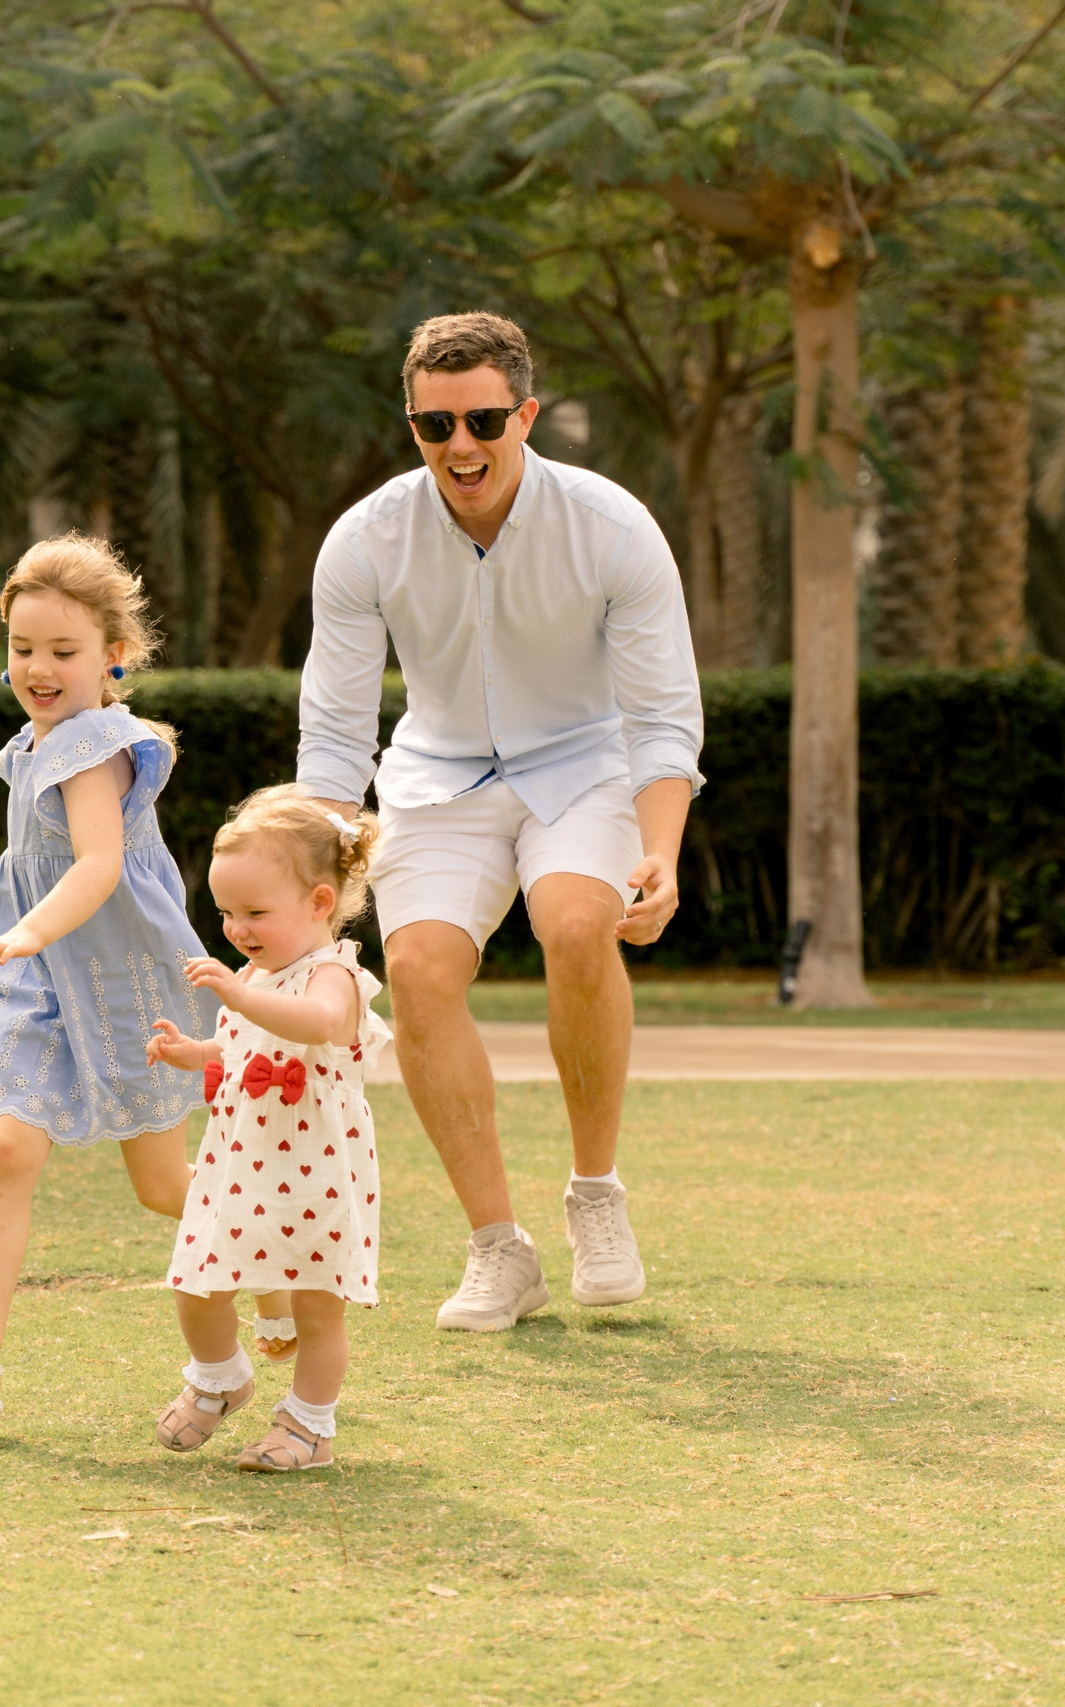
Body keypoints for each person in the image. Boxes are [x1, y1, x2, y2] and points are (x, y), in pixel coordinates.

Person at [299, 311, 704, 1333]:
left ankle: (595, 1195)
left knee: (576, 924)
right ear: (413, 427)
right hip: (436, 775)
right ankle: (498, 1250)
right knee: (424, 974)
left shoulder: (611, 527)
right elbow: (337, 733)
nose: (461, 447)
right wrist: (315, 878)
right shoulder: (364, 539)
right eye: (435, 427)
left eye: (483, 419)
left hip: (583, 764)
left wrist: (659, 853)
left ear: (525, 413)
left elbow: (661, 721)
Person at [0, 534, 222, 1419]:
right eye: (23, 648)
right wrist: (25, 942)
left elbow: (98, 866)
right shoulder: (32, 742)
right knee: (8, 1144)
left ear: (114, 654)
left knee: (163, 1186)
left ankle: (271, 1255)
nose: (39, 668)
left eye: (64, 652)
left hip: (119, 979)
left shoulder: (94, 745)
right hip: (38, 977)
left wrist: (28, 929)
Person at [144, 785, 392, 1471]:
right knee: (197, 1281)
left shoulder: (332, 974)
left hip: (314, 1169)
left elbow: (314, 1026)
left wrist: (235, 990)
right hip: (243, 1164)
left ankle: (310, 1426)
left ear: (318, 903)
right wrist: (193, 1051)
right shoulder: (259, 973)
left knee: (317, 1308)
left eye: (255, 911)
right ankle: (219, 1376)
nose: (238, 928)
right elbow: (245, 1044)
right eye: (226, 912)